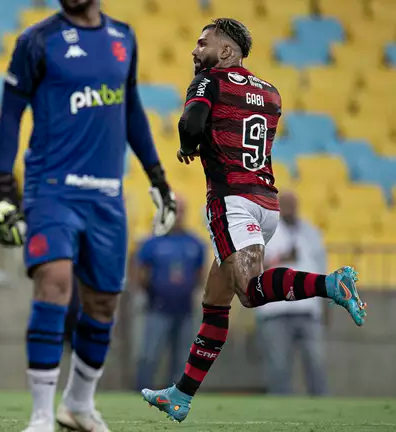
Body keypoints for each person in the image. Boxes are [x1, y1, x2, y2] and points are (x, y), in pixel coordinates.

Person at [141, 18, 366, 423]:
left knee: (248, 291)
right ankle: (181, 395)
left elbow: (191, 122)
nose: (195, 51)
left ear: (227, 51)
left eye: (203, 43)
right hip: (266, 204)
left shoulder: (210, 81)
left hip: (232, 201)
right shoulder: (272, 93)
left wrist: (187, 146)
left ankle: (330, 284)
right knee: (215, 303)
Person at [0, 1, 177, 431]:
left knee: (104, 302)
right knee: (54, 282)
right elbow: (11, 112)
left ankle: (78, 404)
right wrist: (3, 183)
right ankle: (39, 414)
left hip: (107, 195)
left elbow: (131, 111)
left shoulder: (124, 38)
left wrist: (157, 176)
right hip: (52, 189)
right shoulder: (36, 42)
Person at [256, 191, 329, 396]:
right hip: (275, 310)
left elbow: (321, 267)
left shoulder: (311, 232)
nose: (289, 207)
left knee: (316, 362)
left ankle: (323, 406)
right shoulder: (264, 231)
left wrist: (327, 303)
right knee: (278, 365)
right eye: (284, 204)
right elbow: (254, 267)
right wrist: (283, 257)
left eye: (292, 203)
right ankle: (279, 409)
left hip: (308, 308)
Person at [133, 195, 206, 391]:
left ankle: (173, 397)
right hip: (157, 308)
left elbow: (200, 274)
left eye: (181, 210)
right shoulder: (152, 242)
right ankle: (140, 392)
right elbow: (140, 272)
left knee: (181, 357)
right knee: (150, 355)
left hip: (185, 309)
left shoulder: (195, 243)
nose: (178, 215)